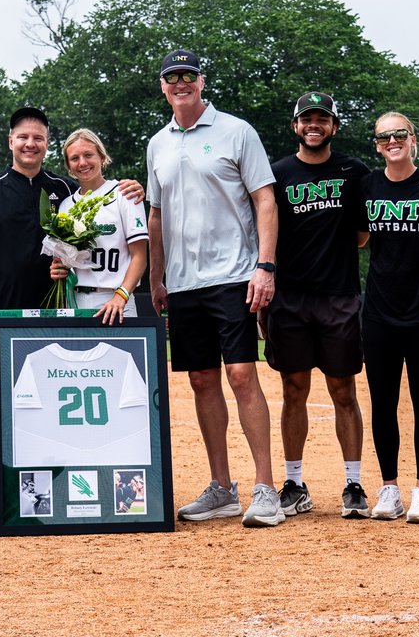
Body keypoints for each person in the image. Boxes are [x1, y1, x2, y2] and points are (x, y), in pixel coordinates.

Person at [146, 48, 283, 528]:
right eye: (171, 78)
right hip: (183, 284)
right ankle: (223, 488)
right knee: (202, 380)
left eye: (188, 76)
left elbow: (265, 199)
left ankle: (266, 489)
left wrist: (264, 266)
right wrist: (157, 277)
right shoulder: (157, 143)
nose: (180, 84)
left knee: (242, 375)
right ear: (163, 86)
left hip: (234, 274)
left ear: (201, 81)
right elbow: (156, 215)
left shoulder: (236, 131)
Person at [261, 92, 371, 519]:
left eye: (322, 119)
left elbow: (364, 232)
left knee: (343, 390)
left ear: (333, 126)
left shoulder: (353, 171)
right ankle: (294, 483)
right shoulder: (277, 174)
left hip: (339, 295)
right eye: (306, 118)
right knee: (294, 390)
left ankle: (354, 484)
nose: (314, 125)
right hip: (289, 298)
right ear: (295, 126)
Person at [356, 112, 419, 523]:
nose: (392, 140)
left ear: (413, 139)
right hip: (379, 311)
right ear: (377, 145)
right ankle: (388, 489)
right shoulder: (367, 186)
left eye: (400, 134)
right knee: (382, 402)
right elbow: (360, 238)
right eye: (385, 137)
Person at [0, 108, 143, 314]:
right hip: (0, 309)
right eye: (23, 137)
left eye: (38, 138)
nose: (30, 144)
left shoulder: (66, 191)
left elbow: (94, 192)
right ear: (11, 142)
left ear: (46, 144)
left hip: (56, 309)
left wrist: (132, 188)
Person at [48, 128, 148, 324]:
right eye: (74, 158)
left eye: (88, 155)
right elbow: (64, 260)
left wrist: (122, 296)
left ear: (102, 157)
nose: (83, 163)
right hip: (74, 301)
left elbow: (140, 256)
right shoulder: (66, 205)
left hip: (117, 300)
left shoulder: (125, 194)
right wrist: (58, 269)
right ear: (69, 166)